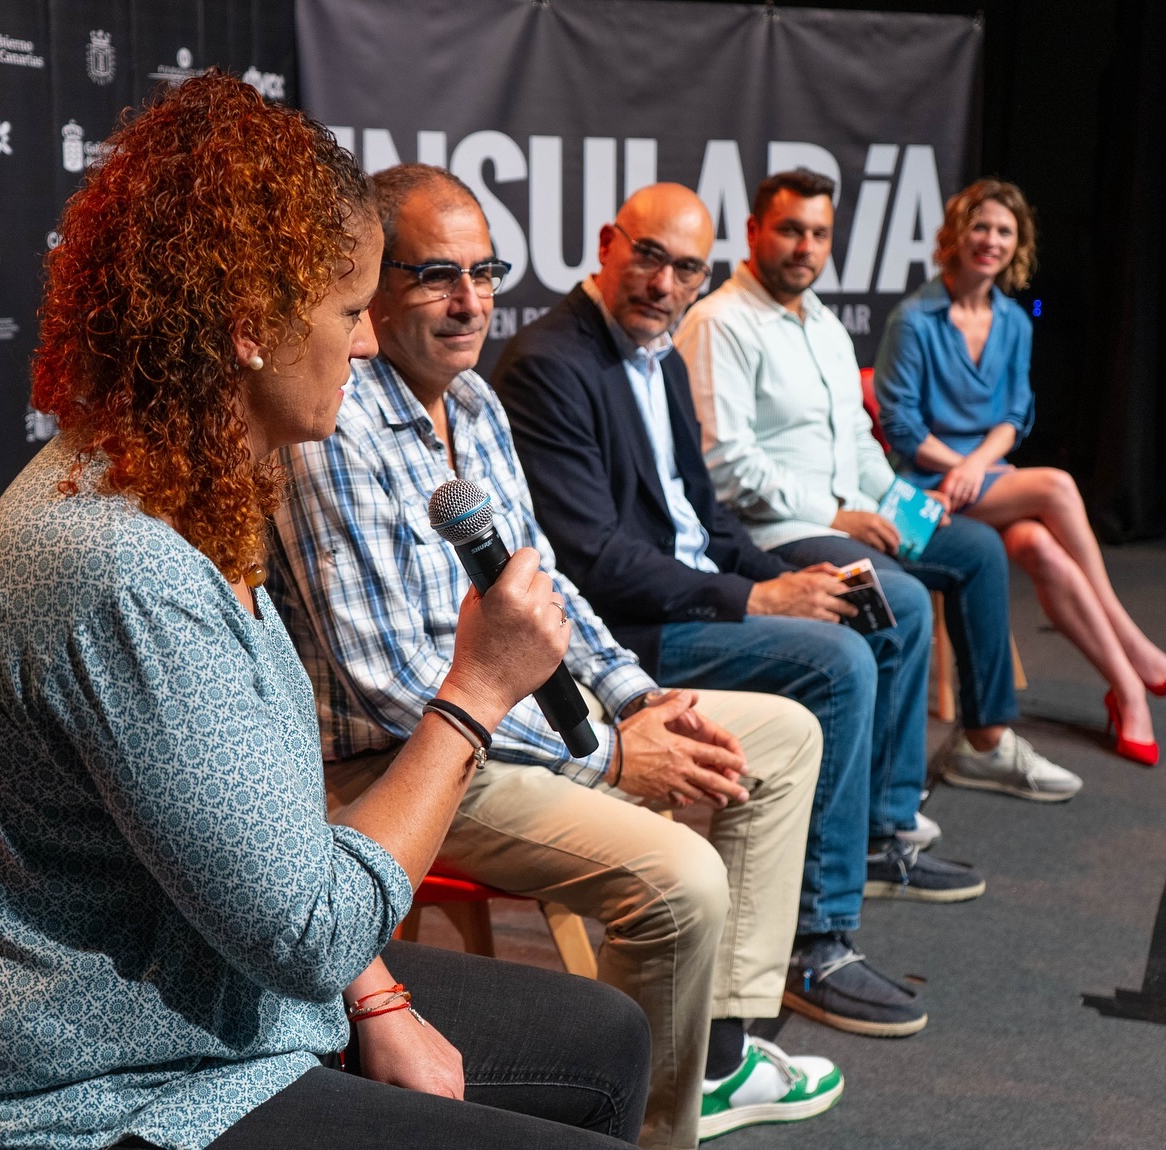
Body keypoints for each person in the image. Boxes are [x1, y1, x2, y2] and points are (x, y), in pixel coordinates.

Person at [0, 75, 654, 1150]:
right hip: (112, 1098)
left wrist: (377, 996)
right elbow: (307, 930)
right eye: (348, 312)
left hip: (231, 1012)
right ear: (250, 328)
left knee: (608, 1037)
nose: (366, 344)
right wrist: (476, 692)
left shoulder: (187, 490)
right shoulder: (117, 563)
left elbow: (275, 846)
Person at [271, 163, 837, 1150]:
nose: (469, 302)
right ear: (372, 286)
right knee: (684, 882)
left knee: (782, 735)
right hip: (398, 764)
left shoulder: (478, 406)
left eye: (484, 273)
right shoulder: (338, 424)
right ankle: (647, 1130)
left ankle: (716, 1052)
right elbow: (396, 681)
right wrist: (613, 758)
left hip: (500, 718)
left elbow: (545, 589)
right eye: (435, 276)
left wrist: (637, 700)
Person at [491, 182, 985, 1048]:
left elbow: (708, 523)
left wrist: (794, 578)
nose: (663, 282)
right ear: (608, 244)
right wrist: (757, 596)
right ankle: (814, 943)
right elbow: (595, 562)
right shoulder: (550, 364)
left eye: (686, 268)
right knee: (837, 665)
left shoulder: (662, 356)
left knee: (865, 607)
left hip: (684, 593)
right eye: (648, 256)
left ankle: (871, 840)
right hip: (622, 631)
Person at [674, 168, 1082, 802]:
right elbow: (727, 468)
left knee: (975, 549)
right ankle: (887, 811)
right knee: (900, 600)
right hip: (773, 532)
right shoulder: (720, 323)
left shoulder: (825, 326)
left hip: (844, 513)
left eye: (819, 233)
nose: (806, 247)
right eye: (789, 231)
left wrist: (906, 504)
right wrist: (837, 517)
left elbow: (859, 446)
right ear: (754, 232)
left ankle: (986, 743)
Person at [874, 178, 1166, 767]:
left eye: (1004, 231)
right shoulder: (913, 320)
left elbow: (1014, 415)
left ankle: (1128, 693)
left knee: (1040, 548)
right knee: (1055, 485)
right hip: (917, 497)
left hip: (984, 482)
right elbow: (901, 430)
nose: (991, 240)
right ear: (955, 234)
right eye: (981, 226)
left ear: (1017, 243)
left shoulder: (1014, 321)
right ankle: (1134, 647)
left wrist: (977, 465)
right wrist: (965, 465)